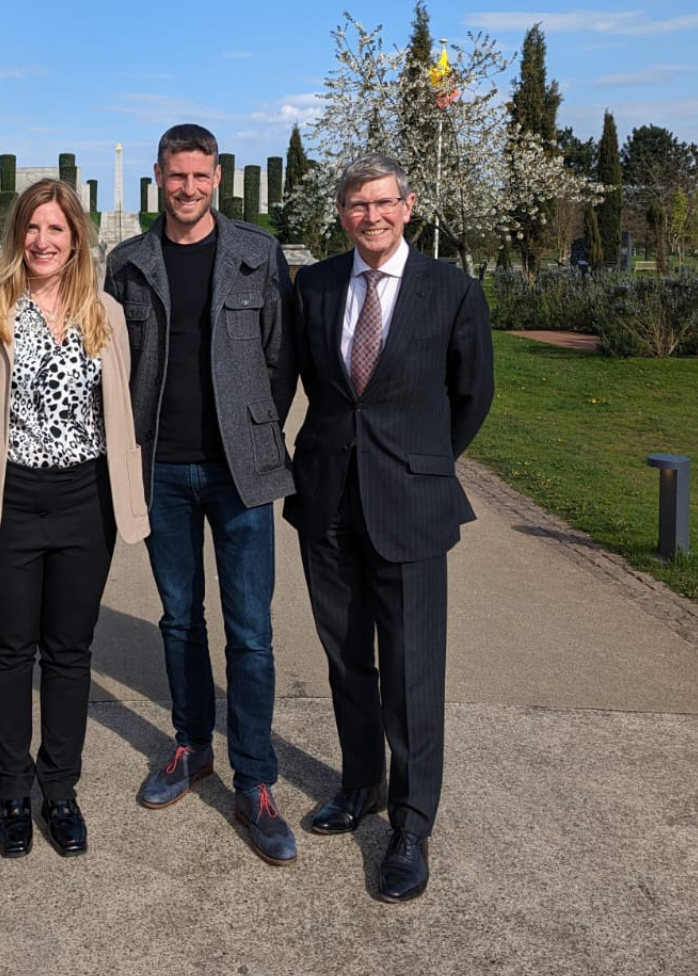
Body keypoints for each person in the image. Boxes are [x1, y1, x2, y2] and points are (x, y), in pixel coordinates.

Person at [285, 153, 493, 903]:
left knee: (411, 670)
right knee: (347, 661)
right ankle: (360, 784)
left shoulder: (451, 289)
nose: (368, 216)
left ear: (409, 206)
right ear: (341, 213)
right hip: (328, 502)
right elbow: (303, 383)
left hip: (410, 504)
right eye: (354, 204)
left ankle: (410, 820)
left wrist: (418, 464)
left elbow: (472, 395)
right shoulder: (313, 285)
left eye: (381, 203)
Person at [105, 124, 298, 866]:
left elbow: (282, 358)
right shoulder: (129, 263)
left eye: (200, 175)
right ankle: (192, 747)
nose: (187, 188)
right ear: (159, 176)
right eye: (175, 176)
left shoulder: (257, 251)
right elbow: (117, 364)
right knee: (180, 620)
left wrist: (254, 429)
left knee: (250, 631)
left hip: (239, 474)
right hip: (164, 472)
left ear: (218, 175)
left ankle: (256, 781)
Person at [0, 179, 148, 859]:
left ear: (76, 238)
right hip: (9, 498)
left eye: (55, 230)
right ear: (18, 235)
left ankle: (58, 792)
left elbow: (122, 405)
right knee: (8, 648)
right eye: (33, 228)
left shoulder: (106, 315)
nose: (42, 241)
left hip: (84, 500)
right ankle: (10, 792)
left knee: (68, 650)